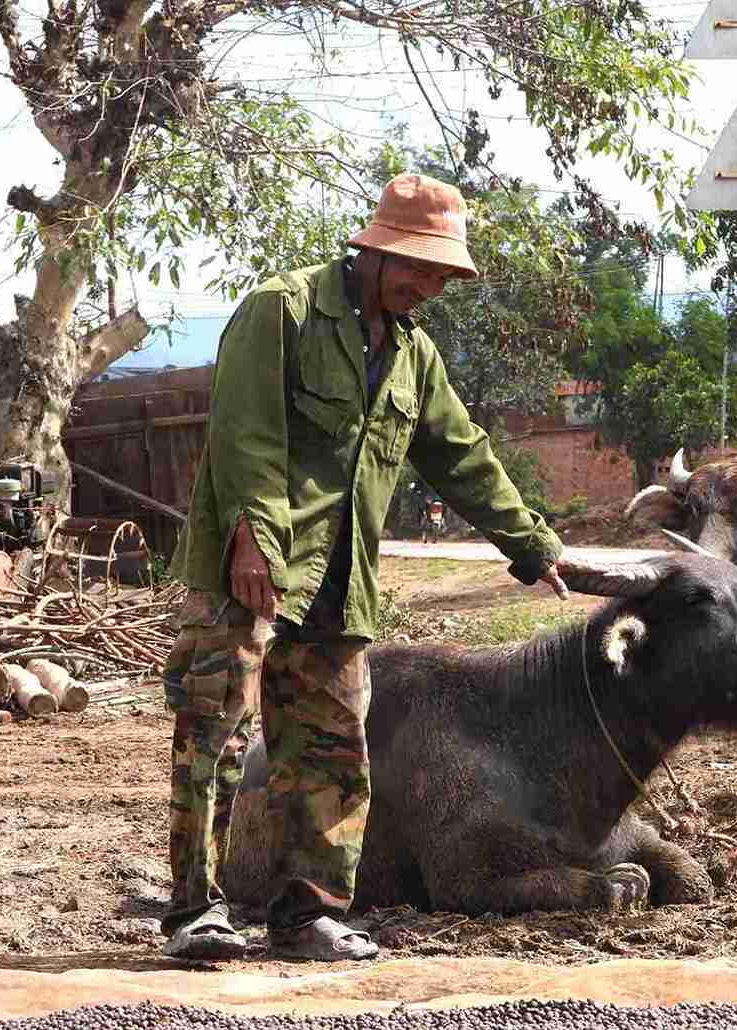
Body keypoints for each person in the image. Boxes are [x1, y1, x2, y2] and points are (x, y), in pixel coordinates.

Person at [159, 173, 569, 962]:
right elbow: (246, 434)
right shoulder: (281, 310)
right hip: (250, 567)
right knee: (214, 734)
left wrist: (529, 543)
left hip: (341, 581)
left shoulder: (414, 355)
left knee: (334, 750)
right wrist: (255, 541)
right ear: (375, 249)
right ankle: (195, 912)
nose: (429, 287)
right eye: (419, 266)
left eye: (443, 275)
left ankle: (306, 915)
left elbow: (461, 455)